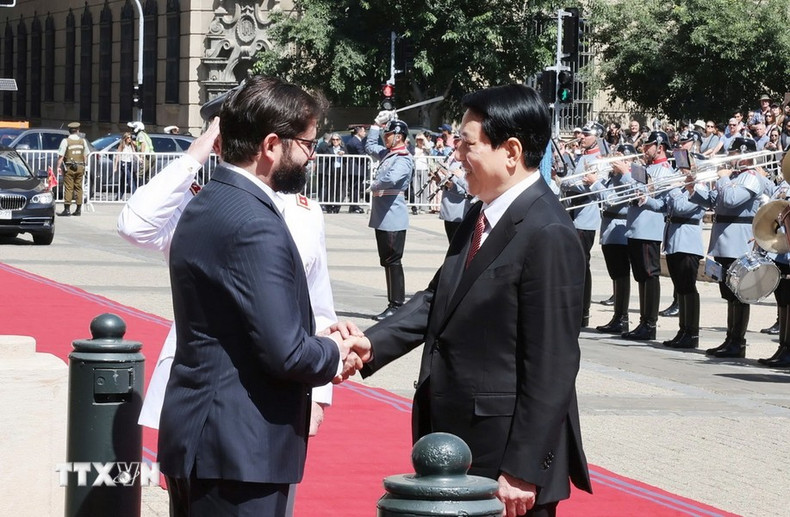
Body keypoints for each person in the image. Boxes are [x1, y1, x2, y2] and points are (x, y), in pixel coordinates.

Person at [355, 84, 592, 517]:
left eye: (467, 144)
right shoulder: (481, 213)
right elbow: (438, 299)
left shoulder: (548, 232)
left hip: (504, 462)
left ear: (511, 151)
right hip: (461, 445)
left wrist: (522, 469)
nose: (457, 155)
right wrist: (370, 344)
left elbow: (553, 363)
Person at [157, 76, 369, 516]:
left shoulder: (209, 201)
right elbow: (285, 353)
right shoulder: (256, 224)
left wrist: (320, 339)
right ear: (272, 145)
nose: (312, 156)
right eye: (308, 144)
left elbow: (245, 325)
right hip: (239, 452)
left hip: (206, 441)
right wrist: (336, 350)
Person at [688, 137, 762, 358]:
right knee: (728, 293)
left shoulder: (751, 178)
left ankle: (738, 342)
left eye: (733, 154)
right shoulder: (733, 177)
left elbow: (731, 199)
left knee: (739, 294)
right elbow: (714, 201)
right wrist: (693, 188)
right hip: (723, 241)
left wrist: (722, 178)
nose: (729, 158)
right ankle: (730, 338)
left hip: (738, 242)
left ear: (744, 154)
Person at [621, 130, 676, 341]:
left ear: (660, 147)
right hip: (636, 227)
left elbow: (658, 200)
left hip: (649, 228)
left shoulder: (665, 171)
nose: (644, 148)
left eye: (648, 145)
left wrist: (627, 174)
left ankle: (650, 323)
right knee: (641, 276)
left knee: (650, 275)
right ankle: (643, 321)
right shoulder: (647, 168)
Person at [365, 113, 414, 321]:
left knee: (393, 261)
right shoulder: (388, 154)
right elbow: (369, 147)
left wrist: (374, 185)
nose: (385, 138)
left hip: (392, 216)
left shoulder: (403, 158)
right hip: (383, 216)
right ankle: (393, 304)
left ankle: (396, 305)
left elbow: (392, 178)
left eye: (388, 135)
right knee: (387, 261)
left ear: (399, 136)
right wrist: (376, 125)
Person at [591, 144, 639, 334]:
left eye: (622, 158)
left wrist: (595, 183)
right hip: (608, 228)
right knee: (615, 274)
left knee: (621, 274)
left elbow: (611, 200)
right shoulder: (612, 177)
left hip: (620, 229)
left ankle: (622, 317)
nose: (617, 161)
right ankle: (617, 316)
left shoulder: (630, 177)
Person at [561, 121, 605, 327]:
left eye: (587, 135)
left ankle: (583, 312)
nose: (582, 137)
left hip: (586, 216)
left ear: (597, 137)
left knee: (582, 264)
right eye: (583, 134)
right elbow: (573, 180)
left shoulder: (598, 159)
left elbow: (590, 186)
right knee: (572, 264)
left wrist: (568, 182)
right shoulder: (583, 156)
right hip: (573, 214)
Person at [55, 121, 90, 216]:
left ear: (69, 131)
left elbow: (61, 156)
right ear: (78, 130)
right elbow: (85, 155)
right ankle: (78, 210)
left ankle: (67, 210)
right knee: (79, 187)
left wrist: (58, 167)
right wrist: (84, 165)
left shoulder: (65, 141)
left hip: (69, 167)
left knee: (69, 187)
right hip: (80, 167)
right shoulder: (83, 141)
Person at [344, 125, 368, 214]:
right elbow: (362, 154)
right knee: (356, 187)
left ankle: (353, 205)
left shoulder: (353, 140)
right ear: (359, 132)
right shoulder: (356, 142)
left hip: (355, 168)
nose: (365, 133)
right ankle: (354, 206)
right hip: (356, 168)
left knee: (355, 187)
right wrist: (367, 155)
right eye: (364, 131)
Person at [114, 132, 139, 200]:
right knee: (130, 178)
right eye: (128, 138)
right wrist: (115, 166)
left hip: (129, 163)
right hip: (123, 163)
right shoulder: (122, 145)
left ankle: (118, 198)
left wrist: (139, 158)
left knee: (123, 181)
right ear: (125, 138)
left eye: (130, 137)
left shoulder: (131, 145)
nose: (129, 139)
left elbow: (134, 153)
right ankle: (135, 196)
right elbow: (117, 156)